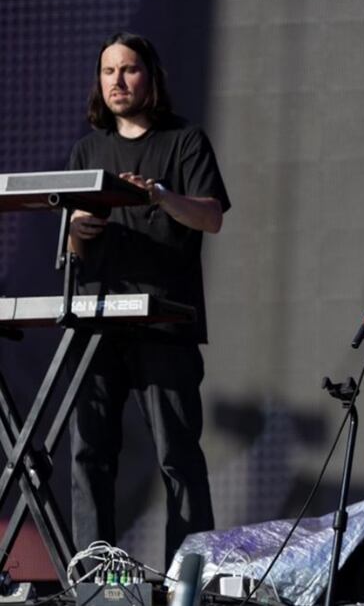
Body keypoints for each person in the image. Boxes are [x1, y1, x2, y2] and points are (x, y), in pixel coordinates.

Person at [66, 32, 230, 565]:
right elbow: (70, 245)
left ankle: (188, 579)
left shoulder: (184, 141)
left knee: (177, 455)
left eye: (129, 70)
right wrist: (79, 229)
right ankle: (96, 575)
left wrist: (158, 195)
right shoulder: (87, 150)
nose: (117, 81)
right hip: (97, 320)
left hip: (165, 321)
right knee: (90, 451)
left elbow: (210, 217)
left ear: (150, 77)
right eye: (108, 71)